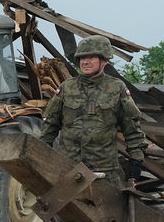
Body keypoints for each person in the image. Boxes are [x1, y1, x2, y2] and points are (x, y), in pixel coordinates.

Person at [39, 35, 146, 189]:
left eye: (91, 57)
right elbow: (50, 125)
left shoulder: (117, 88)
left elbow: (132, 129)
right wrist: (42, 154)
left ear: (104, 61)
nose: (85, 62)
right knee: (64, 211)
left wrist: (136, 161)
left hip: (104, 171)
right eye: (82, 58)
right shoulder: (67, 87)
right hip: (68, 168)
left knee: (107, 212)